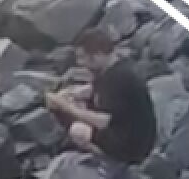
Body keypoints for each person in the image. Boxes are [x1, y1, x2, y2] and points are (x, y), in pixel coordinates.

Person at [45, 27, 157, 167]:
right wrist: (71, 94)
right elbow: (95, 88)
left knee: (78, 130)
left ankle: (109, 162)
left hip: (130, 144)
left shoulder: (120, 78)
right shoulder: (113, 67)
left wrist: (66, 106)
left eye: (82, 57)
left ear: (97, 55)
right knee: (75, 107)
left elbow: (103, 122)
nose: (80, 63)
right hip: (129, 130)